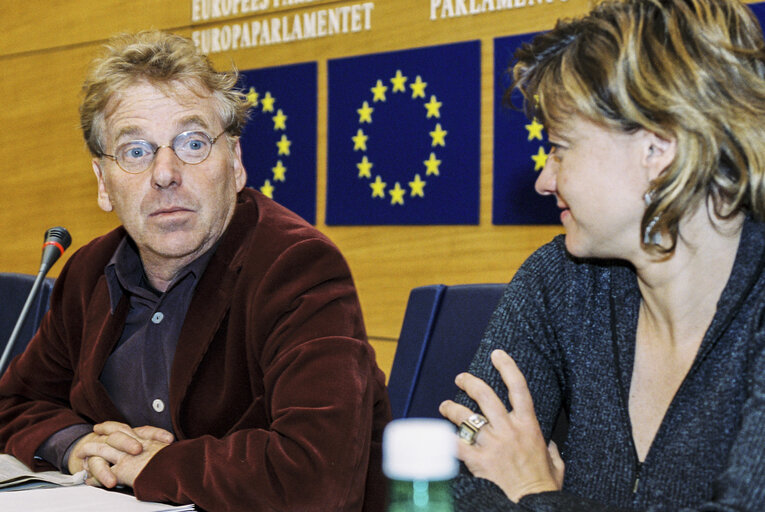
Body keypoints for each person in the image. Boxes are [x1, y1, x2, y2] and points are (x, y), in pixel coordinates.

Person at [0, 30, 391, 511]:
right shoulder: (88, 272)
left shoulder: (296, 267)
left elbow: (318, 474)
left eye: (192, 142)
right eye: (136, 151)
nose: (165, 173)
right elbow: (13, 404)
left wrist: (153, 467)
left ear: (236, 162)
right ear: (103, 183)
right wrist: (75, 443)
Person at [439, 0, 765, 510]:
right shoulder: (561, 280)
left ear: (659, 149)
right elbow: (452, 479)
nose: (545, 181)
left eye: (560, 147)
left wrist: (536, 493)